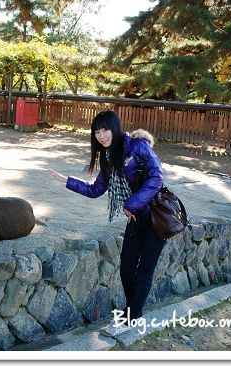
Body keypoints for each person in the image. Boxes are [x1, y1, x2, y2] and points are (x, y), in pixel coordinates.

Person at [48, 109, 165, 337]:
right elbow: (96, 190)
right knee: (126, 270)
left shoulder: (137, 146)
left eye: (105, 129)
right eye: (97, 131)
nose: (101, 135)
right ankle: (133, 315)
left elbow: (157, 177)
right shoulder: (107, 156)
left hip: (155, 218)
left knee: (143, 272)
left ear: (115, 128)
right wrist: (68, 182)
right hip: (135, 217)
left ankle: (129, 318)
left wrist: (131, 204)